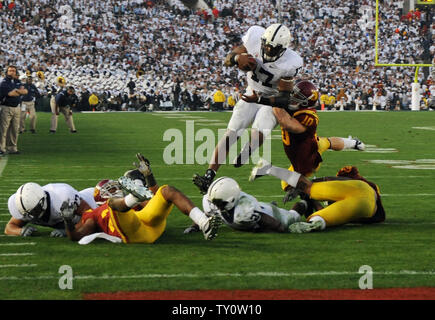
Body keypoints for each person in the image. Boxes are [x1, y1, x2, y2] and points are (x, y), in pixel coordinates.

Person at [193, 23, 303, 194]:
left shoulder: (290, 62)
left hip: (270, 100)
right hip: (251, 92)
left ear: (282, 49)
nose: (267, 50)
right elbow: (228, 60)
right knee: (231, 133)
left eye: (273, 49)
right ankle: (209, 174)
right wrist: (237, 58)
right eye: (266, 45)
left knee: (258, 131)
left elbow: (283, 98)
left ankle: (248, 150)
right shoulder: (254, 37)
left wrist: (260, 99)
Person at [61, 154, 221, 243]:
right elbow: (76, 236)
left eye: (114, 187)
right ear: (99, 197)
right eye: (110, 189)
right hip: (132, 233)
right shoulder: (94, 214)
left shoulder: (131, 205)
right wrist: (68, 221)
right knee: (113, 205)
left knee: (167, 191)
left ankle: (203, 223)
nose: (115, 189)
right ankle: (134, 195)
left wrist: (149, 175)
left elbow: (154, 199)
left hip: (148, 225)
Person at [242, 79, 365, 194]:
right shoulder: (297, 107)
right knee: (327, 142)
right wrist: (264, 98)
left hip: (306, 157)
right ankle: (354, 143)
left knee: (287, 185)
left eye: (297, 96)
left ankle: (270, 169)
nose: (292, 97)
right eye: (294, 94)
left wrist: (272, 100)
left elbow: (287, 123)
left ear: (306, 101)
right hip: (312, 142)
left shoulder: (308, 117)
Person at [249, 159, 386, 233]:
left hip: (360, 192)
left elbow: (335, 180)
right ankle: (315, 223)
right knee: (321, 217)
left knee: (310, 189)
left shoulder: (358, 183)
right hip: (367, 208)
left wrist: (306, 190)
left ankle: (269, 168)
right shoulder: (370, 192)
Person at [184, 176, 304, 235]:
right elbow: (208, 213)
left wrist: (259, 230)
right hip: (259, 208)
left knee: (293, 217)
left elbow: (279, 227)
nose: (216, 206)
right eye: (215, 202)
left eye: (220, 203)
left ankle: (306, 201)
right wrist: (196, 226)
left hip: (273, 214)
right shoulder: (217, 201)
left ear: (231, 199)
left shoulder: (243, 212)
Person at [4, 182, 97, 238]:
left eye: (34, 211)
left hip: (95, 202)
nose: (32, 217)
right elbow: (10, 227)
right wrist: (20, 231)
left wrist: (69, 230)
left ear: (42, 201)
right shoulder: (27, 206)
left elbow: (89, 215)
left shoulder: (62, 197)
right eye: (28, 213)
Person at [0, 66, 28, 155]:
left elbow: (25, 91)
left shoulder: (17, 81)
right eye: (10, 71)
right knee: (3, 129)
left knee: (15, 129)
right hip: (6, 107)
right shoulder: (4, 82)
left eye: (14, 71)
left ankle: (12, 148)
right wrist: (18, 91)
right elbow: (11, 94)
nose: (12, 72)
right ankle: (1, 148)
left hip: (17, 107)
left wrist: (17, 91)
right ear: (7, 72)